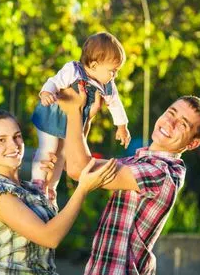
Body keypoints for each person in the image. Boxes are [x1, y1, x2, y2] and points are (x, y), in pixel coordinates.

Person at [57, 86, 200, 275]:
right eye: (171, 113)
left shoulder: (161, 173)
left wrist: (74, 112)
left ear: (192, 144)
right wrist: (85, 115)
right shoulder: (140, 162)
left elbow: (80, 167)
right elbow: (77, 167)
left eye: (183, 124)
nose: (170, 123)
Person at [0, 109, 118, 275]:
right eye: (1, 140)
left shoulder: (27, 189)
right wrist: (82, 189)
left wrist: (82, 112)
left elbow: (64, 148)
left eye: (17, 136)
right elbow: (49, 237)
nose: (14, 145)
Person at [31, 32, 131, 207]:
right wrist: (47, 92)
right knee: (49, 148)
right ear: (93, 64)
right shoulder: (73, 70)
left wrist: (122, 126)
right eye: (112, 71)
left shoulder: (107, 85)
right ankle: (37, 182)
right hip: (53, 115)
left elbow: (116, 104)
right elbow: (54, 81)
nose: (114, 75)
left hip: (70, 124)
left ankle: (51, 187)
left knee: (62, 154)